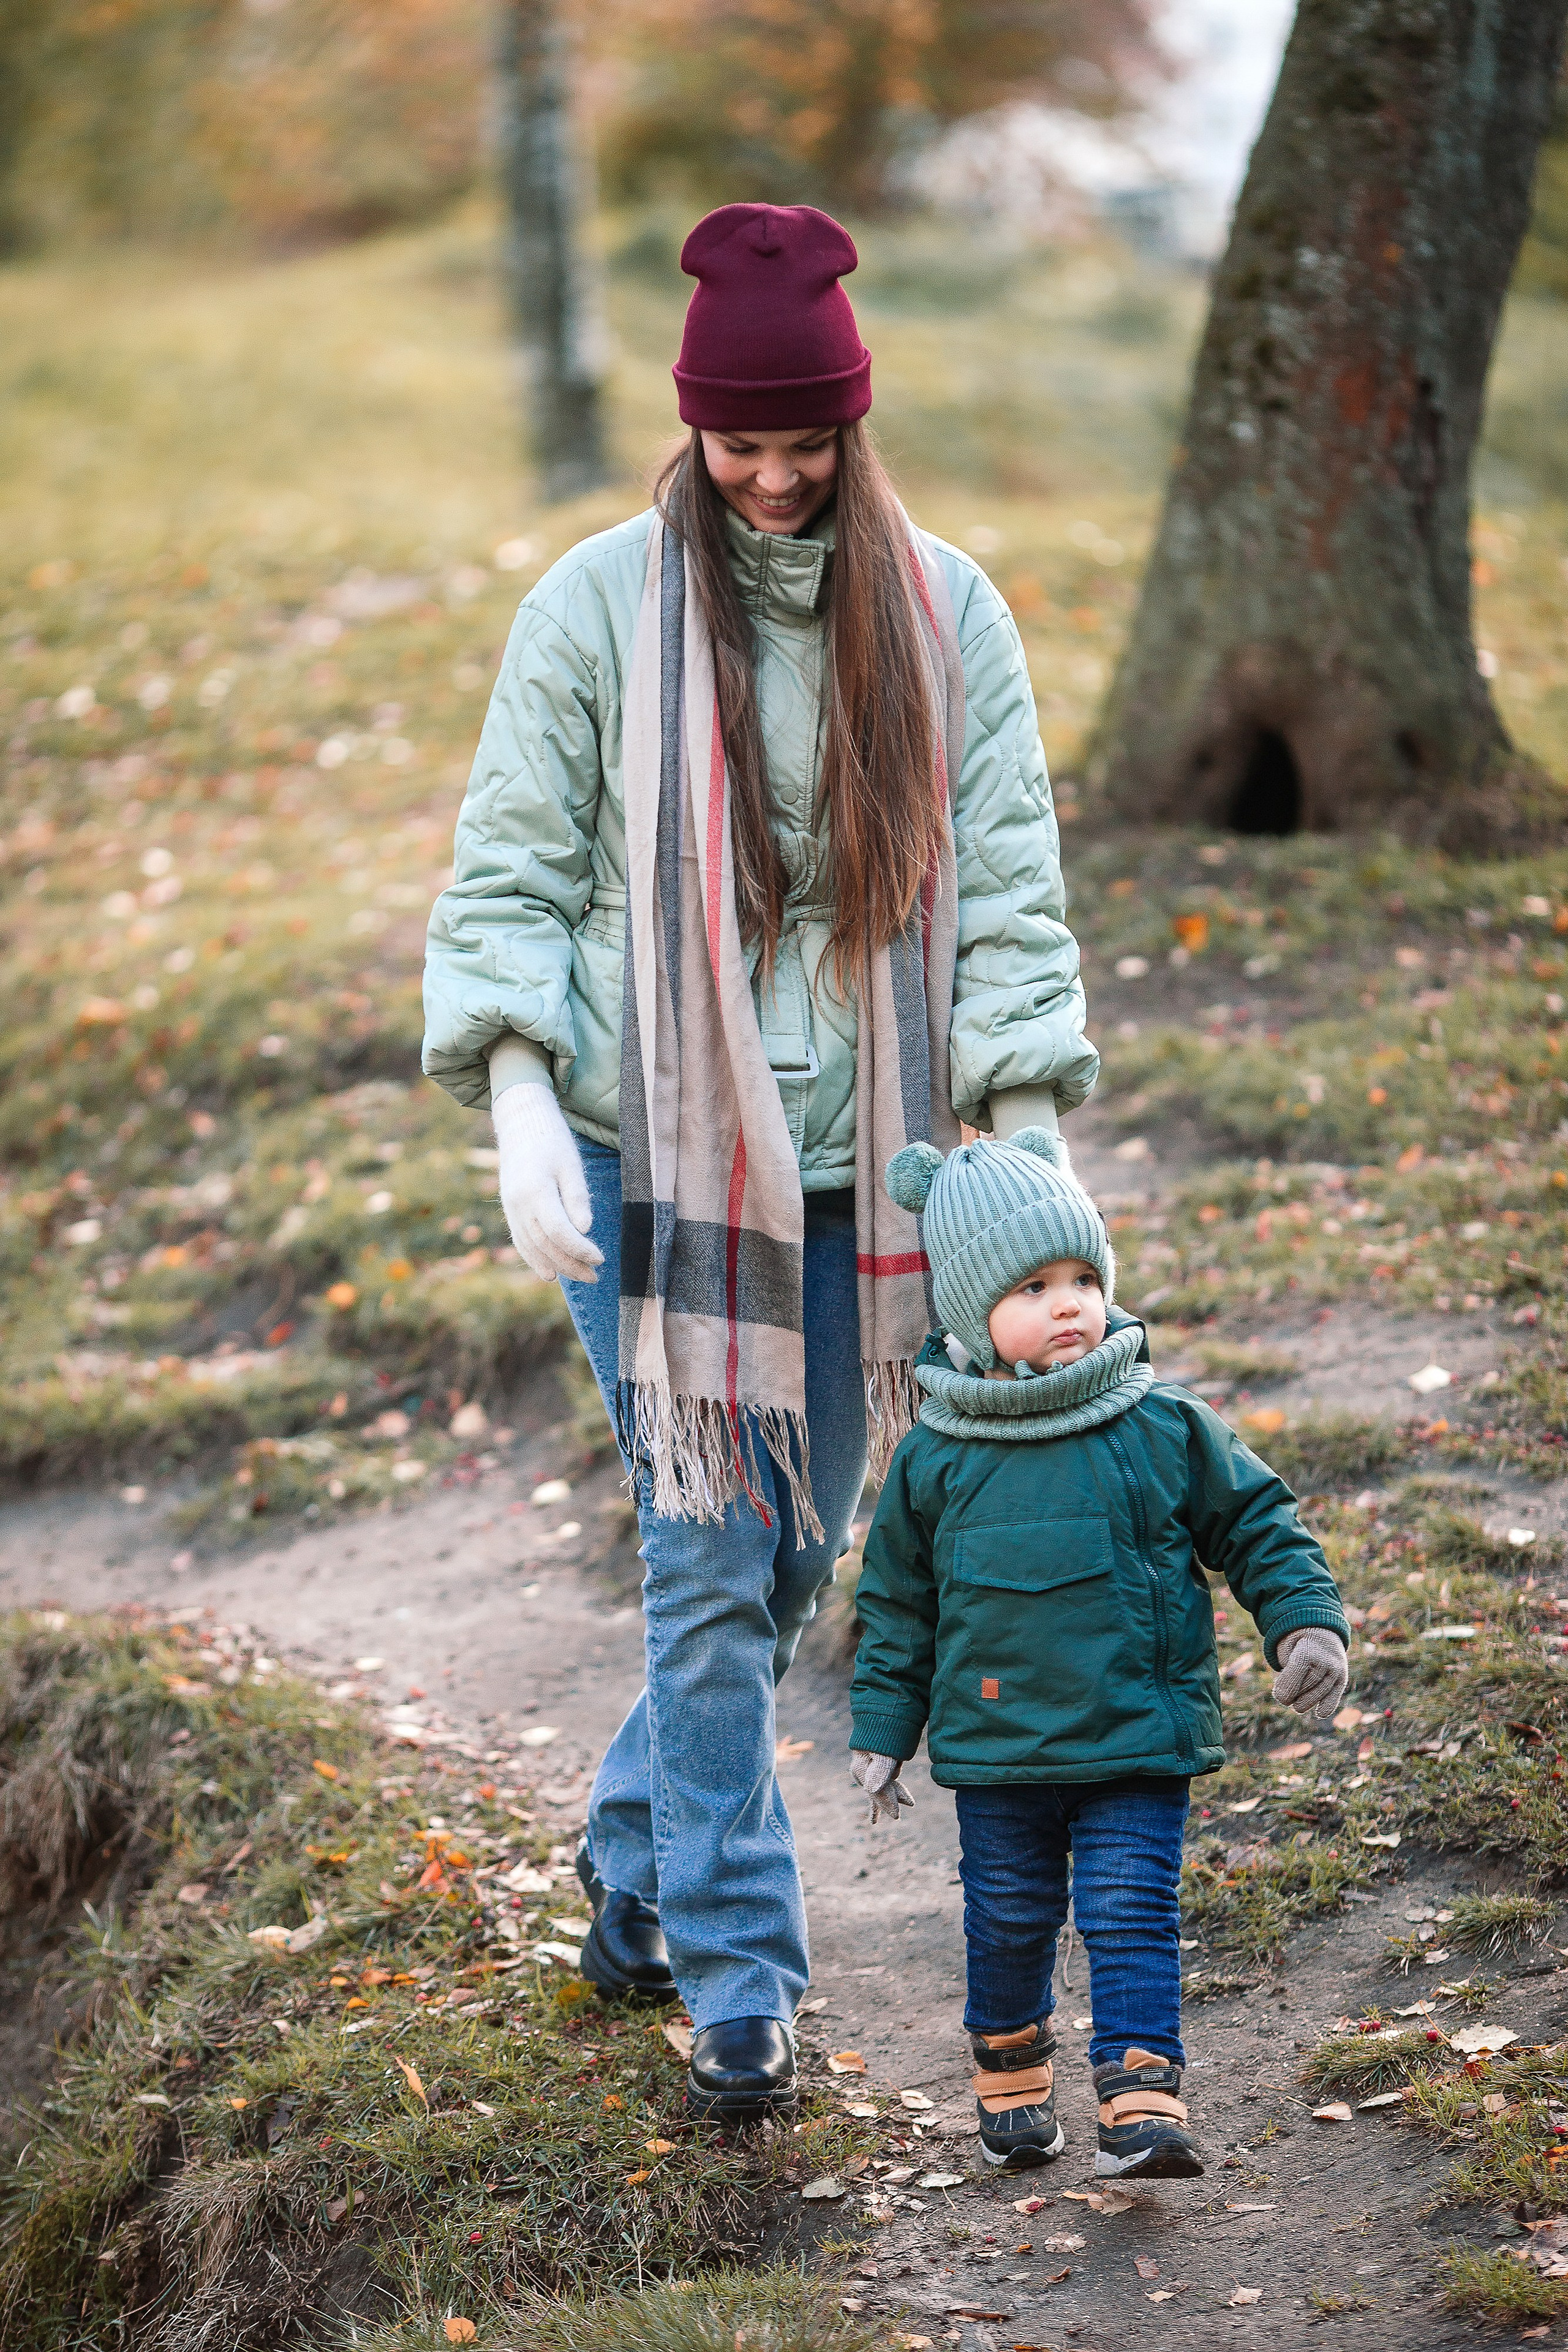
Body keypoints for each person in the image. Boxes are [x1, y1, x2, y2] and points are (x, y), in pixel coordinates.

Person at [423, 202, 1098, 2127]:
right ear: (693, 429)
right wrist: (518, 1094)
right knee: (710, 1554)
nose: (779, 479)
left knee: (797, 1550)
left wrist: (1029, 1144)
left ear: (856, 427)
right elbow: (511, 874)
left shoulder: (953, 612)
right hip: (648, 1163)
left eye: (810, 445)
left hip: (855, 1177)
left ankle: (632, 1859)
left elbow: (1014, 901)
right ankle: (736, 1971)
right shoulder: (590, 610)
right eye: (744, 447)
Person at [848, 1129, 1350, 2176]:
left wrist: (1303, 1620)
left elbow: (1258, 1524)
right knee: (1011, 1920)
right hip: (1000, 1753)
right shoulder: (936, 1459)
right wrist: (884, 1730)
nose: (1069, 1302)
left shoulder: (1160, 1424)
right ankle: (1011, 2072)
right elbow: (898, 1606)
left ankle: (1142, 2099)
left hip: (1134, 1736)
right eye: (1034, 1286)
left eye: (1083, 1276)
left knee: (1130, 1911)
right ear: (972, 1320)